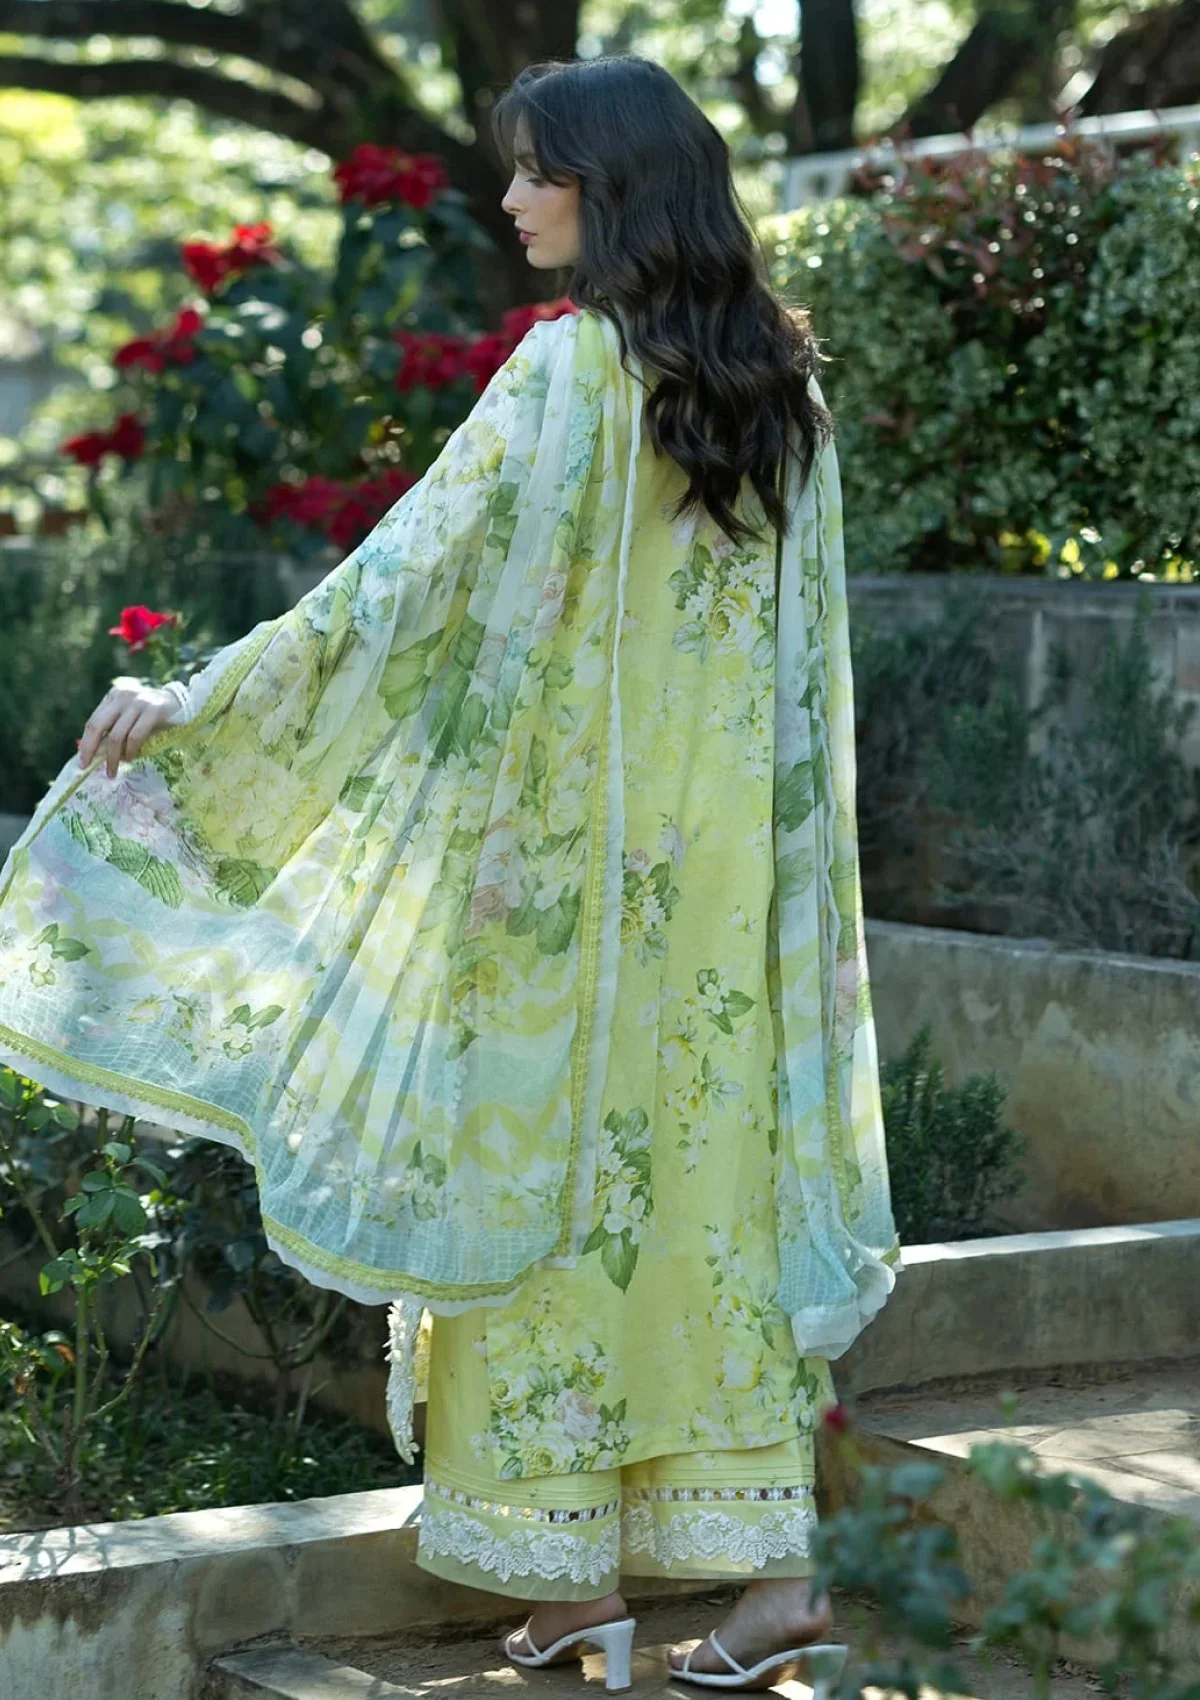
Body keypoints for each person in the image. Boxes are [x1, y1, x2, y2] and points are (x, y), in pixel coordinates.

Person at [0, 55, 897, 1693]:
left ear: (614, 186)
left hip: (558, 893)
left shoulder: (567, 373)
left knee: (527, 1197)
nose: (511, 198)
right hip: (722, 901)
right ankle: (771, 1585)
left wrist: (197, 703)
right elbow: (802, 682)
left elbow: (393, 598)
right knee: (714, 1207)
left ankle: (574, 1577)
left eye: (539, 171)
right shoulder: (781, 396)